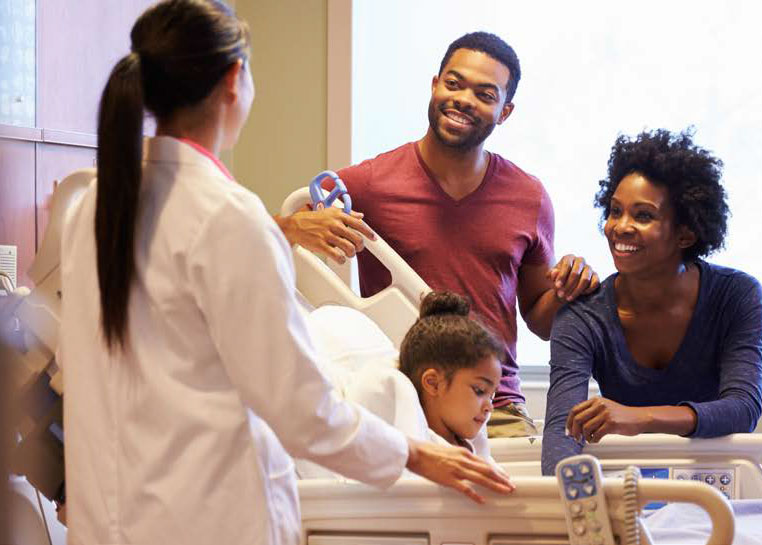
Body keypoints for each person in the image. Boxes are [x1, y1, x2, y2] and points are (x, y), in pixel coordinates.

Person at [58, 2, 513, 544]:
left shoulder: (93, 205)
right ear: (235, 80)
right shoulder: (227, 215)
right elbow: (301, 408)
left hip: (109, 521)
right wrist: (415, 454)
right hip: (203, 520)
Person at [276, 32, 600, 438]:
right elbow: (258, 238)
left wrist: (572, 289)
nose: (464, 99)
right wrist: (291, 227)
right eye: (454, 83)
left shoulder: (528, 197)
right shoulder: (372, 182)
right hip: (404, 401)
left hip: (493, 407)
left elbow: (541, 319)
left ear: (505, 111)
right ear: (435, 85)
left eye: (485, 94)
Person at [541, 129, 762, 476]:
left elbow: (742, 408)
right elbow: (562, 430)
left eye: (643, 216)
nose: (620, 227)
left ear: (685, 234)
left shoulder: (736, 297)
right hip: (630, 484)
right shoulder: (582, 315)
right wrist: (575, 505)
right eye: (615, 211)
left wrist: (639, 417)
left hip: (716, 479)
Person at [399, 291, 504, 456]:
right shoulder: (415, 453)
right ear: (433, 383)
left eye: (491, 395)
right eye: (479, 390)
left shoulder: (473, 446)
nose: (490, 407)